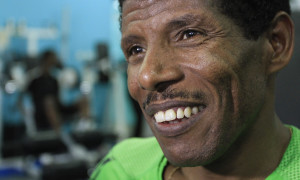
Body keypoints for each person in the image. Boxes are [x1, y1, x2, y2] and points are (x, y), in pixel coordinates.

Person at [90, 0, 300, 179]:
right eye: (136, 50)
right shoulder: (120, 168)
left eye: (189, 34)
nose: (148, 76)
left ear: (276, 43)